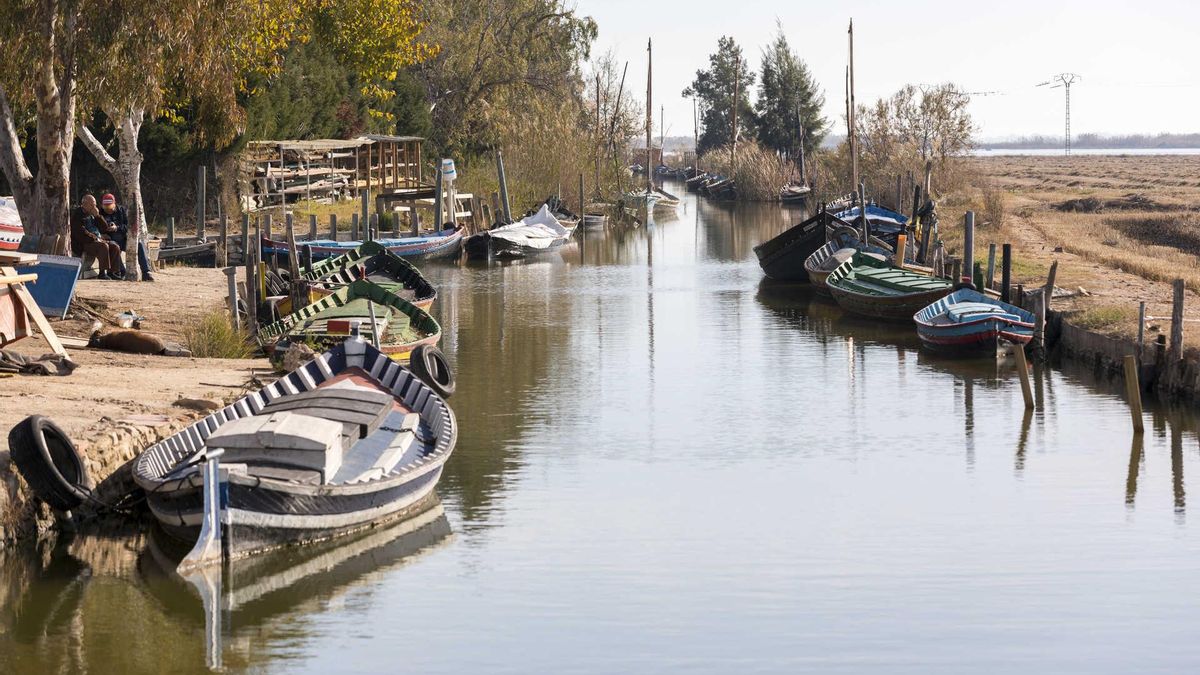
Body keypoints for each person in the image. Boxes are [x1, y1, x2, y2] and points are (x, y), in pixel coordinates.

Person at [96, 193, 154, 281]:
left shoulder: (121, 211)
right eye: (106, 207)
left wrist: (117, 227)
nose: (108, 209)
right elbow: (97, 227)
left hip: (123, 238)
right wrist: (103, 233)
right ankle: (122, 272)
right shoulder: (100, 213)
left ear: (114, 204)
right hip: (110, 239)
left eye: (110, 207)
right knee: (114, 247)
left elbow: (129, 226)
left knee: (139, 244)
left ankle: (146, 272)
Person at [71, 195, 122, 280]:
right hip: (84, 243)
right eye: (92, 205)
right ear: (84, 204)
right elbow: (81, 233)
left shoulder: (93, 214)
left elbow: (104, 228)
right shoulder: (78, 215)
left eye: (95, 204)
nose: (94, 207)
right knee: (103, 246)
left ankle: (112, 272)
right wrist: (96, 238)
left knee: (114, 246)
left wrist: (98, 216)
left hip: (96, 239)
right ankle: (102, 273)